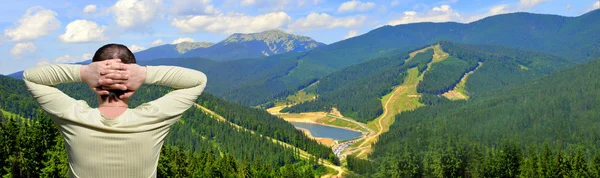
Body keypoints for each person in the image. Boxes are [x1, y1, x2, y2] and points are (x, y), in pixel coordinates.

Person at [23, 44, 207, 177]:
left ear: (94, 82)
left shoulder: (72, 116)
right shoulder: (154, 119)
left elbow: (31, 77)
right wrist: (143, 73)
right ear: (132, 82)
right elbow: (197, 80)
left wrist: (83, 72)